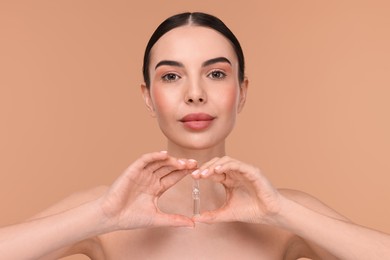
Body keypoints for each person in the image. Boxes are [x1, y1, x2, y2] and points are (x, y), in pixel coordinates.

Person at [1, 12, 389, 260]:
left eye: (216, 73)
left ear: (243, 92)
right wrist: (102, 216)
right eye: (171, 76)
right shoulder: (101, 213)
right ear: (148, 97)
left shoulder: (285, 213)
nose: (195, 92)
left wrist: (281, 212)